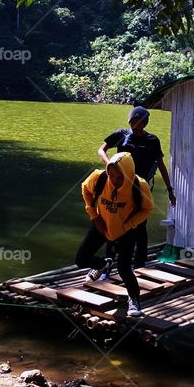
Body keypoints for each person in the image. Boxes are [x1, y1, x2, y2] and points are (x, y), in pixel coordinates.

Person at [75, 152, 154, 317]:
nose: (114, 180)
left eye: (119, 177)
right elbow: (85, 189)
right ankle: (102, 264)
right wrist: (94, 215)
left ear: (128, 174)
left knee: (124, 269)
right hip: (101, 225)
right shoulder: (99, 178)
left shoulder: (139, 186)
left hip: (125, 230)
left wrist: (130, 225)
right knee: (81, 259)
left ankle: (134, 301)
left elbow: (148, 208)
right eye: (111, 175)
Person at [97, 106, 175, 270]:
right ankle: (109, 260)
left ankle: (140, 262)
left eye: (139, 122)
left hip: (140, 187)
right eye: (132, 121)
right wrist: (110, 166)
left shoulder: (152, 141)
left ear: (145, 123)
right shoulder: (121, 135)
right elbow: (101, 149)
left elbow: (161, 165)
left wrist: (170, 190)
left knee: (140, 224)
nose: (135, 124)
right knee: (114, 220)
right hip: (119, 185)